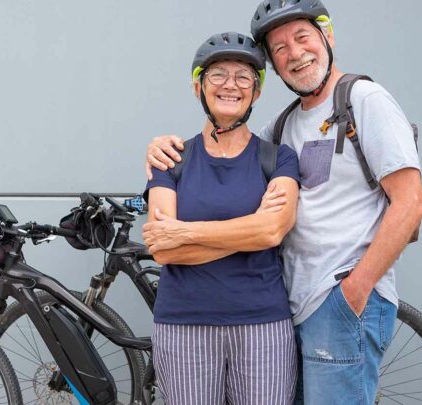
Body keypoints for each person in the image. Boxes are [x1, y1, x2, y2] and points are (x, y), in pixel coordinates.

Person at [144, 1, 422, 404]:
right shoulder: (282, 127)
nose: (294, 53)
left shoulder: (365, 99)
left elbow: (411, 203)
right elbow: (225, 146)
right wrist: (159, 147)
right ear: (274, 69)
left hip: (338, 299)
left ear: (327, 36)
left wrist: (354, 291)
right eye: (279, 48)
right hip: (295, 302)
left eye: (302, 38)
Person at [143, 31, 300, 405]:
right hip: (183, 325)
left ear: (256, 93)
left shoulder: (278, 159)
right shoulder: (171, 159)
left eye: (243, 77)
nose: (231, 85)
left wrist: (186, 232)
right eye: (218, 75)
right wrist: (247, 233)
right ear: (199, 87)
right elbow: (163, 249)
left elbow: (272, 231)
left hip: (262, 323)